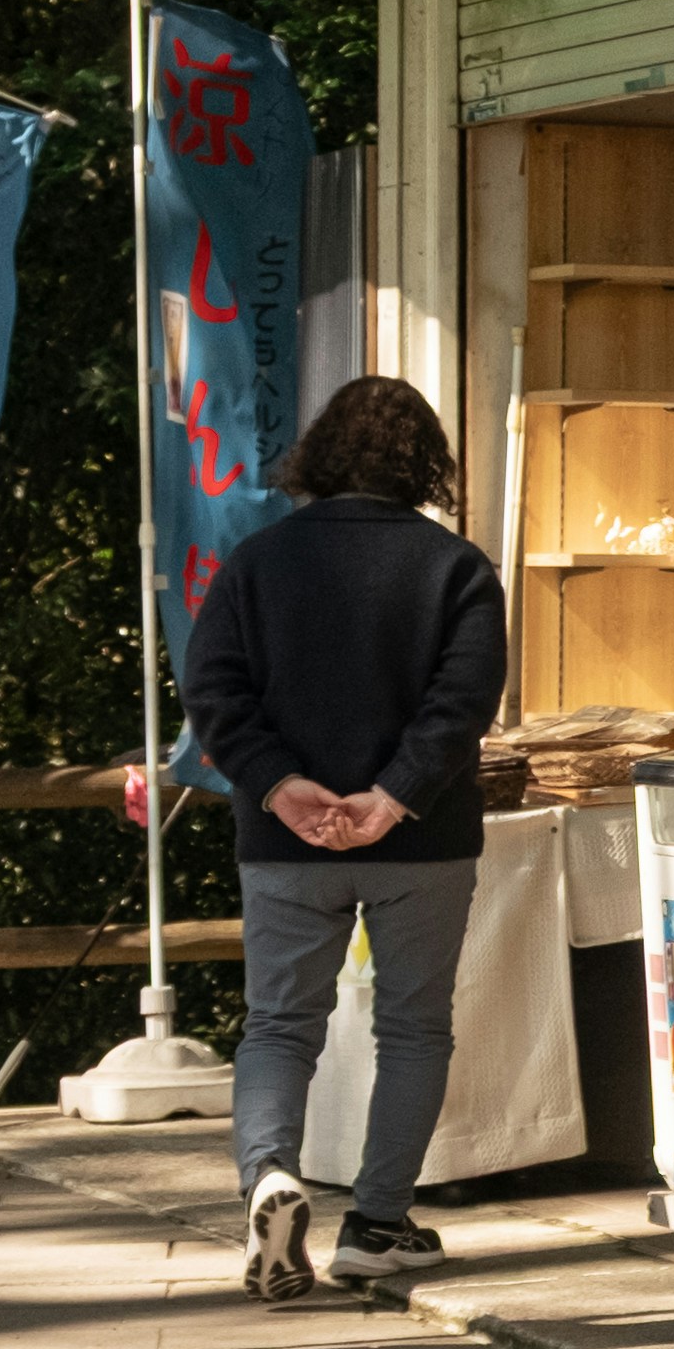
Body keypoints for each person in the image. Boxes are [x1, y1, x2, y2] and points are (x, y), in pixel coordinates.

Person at [185, 377, 503, 1301]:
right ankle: (375, 1224)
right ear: (424, 464)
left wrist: (282, 788)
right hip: (423, 838)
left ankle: (272, 1179)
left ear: (320, 454)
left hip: (284, 842)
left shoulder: (255, 564)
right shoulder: (457, 568)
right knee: (414, 1028)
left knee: (281, 1027)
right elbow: (464, 702)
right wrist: (393, 796)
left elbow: (214, 691)